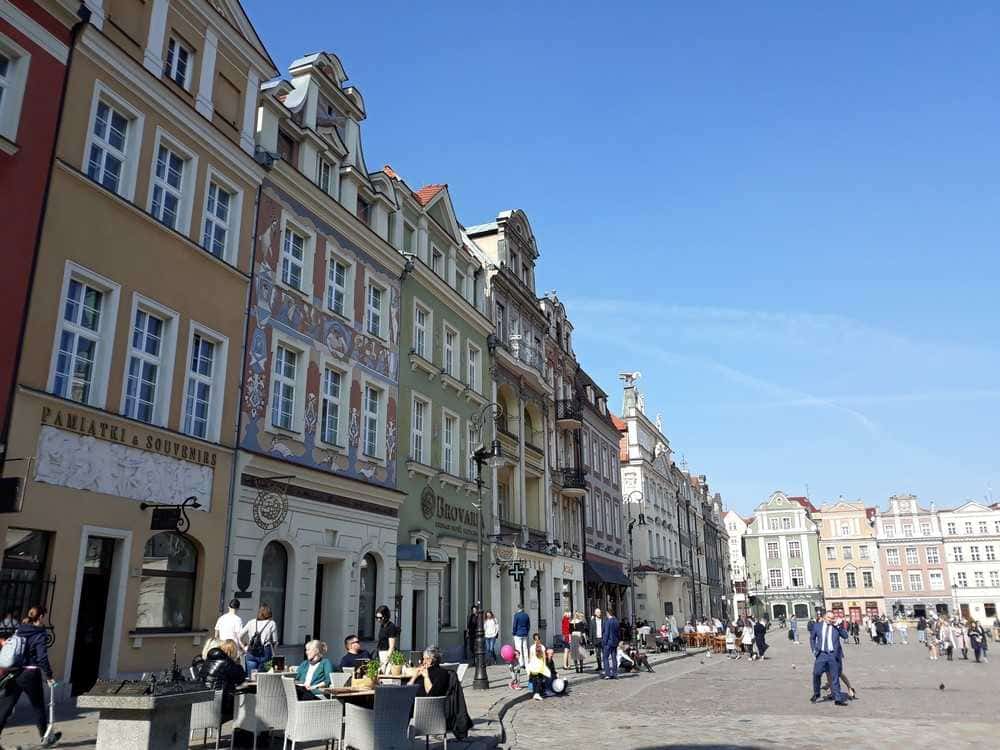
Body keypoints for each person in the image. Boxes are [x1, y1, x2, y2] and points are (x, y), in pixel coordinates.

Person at [0, 606, 61, 748]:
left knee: (6, 706)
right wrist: (49, 675)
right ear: (40, 617)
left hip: (15, 672)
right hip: (31, 673)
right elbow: (42, 658)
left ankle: (47, 736)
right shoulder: (39, 634)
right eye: (43, 616)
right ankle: (46, 738)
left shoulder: (21, 629)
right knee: (38, 706)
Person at [198, 639, 246, 721]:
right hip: (220, 707)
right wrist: (237, 663)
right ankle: (244, 729)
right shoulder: (227, 663)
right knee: (244, 706)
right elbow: (240, 679)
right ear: (232, 652)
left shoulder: (208, 660)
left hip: (202, 705)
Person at [810, 611, 848, 707]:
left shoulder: (836, 627)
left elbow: (845, 636)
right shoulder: (817, 626)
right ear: (824, 617)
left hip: (833, 655)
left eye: (832, 618)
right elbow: (812, 638)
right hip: (821, 654)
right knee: (816, 673)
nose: (830, 619)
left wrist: (838, 626)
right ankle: (816, 693)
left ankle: (838, 698)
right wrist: (814, 649)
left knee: (835, 676)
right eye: (829, 618)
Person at [240, 604, 279, 675]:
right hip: (266, 653)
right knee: (264, 677)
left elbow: (240, 636)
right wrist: (274, 652)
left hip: (251, 652)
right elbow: (275, 641)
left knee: (252, 677)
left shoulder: (251, 622)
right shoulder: (272, 623)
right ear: (269, 613)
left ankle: (253, 685)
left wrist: (244, 647)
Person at [601, 610, 620, 680]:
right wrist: (618, 641)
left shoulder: (608, 622)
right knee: (614, 658)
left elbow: (606, 633)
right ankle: (615, 673)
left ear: (608, 613)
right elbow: (618, 633)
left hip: (608, 642)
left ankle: (607, 674)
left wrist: (604, 642)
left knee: (605, 658)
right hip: (615, 642)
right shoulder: (616, 621)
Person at [512, 604, 531, 668]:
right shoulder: (526, 615)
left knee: (518, 649)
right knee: (525, 648)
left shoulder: (516, 615)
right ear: (523, 608)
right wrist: (527, 631)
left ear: (518, 608)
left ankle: (521, 663)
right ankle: (527, 663)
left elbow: (514, 625)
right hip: (525, 633)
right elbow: (528, 625)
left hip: (518, 633)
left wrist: (514, 633)